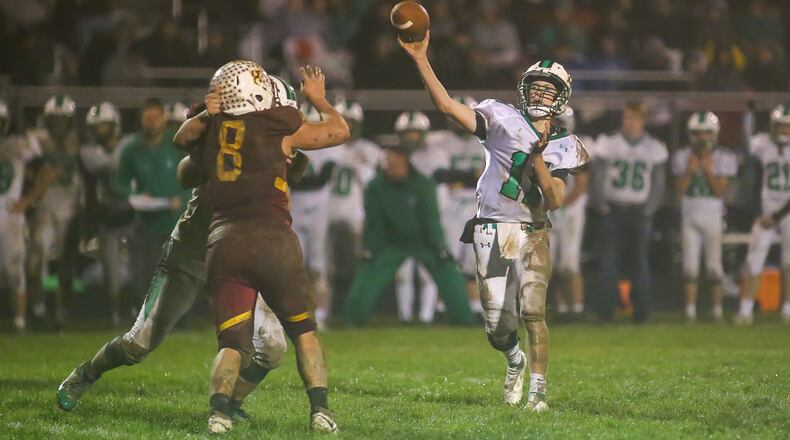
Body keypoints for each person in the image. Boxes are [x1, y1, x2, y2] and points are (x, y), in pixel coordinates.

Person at [56, 94, 313, 418]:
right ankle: (85, 374)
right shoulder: (222, 140)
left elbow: (306, 158)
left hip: (241, 261)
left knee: (273, 347)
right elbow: (184, 160)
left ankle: (231, 403)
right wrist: (210, 121)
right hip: (191, 256)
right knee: (138, 343)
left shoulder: (280, 149)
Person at [400, 31, 588, 411]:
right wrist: (421, 59)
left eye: (547, 90)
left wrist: (537, 158)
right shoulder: (501, 117)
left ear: (561, 99)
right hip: (494, 227)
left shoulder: (567, 145)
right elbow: (448, 107)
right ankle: (514, 359)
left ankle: (538, 393)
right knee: (496, 325)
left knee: (533, 311)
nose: (538, 95)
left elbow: (554, 199)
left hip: (533, 230)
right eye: (534, 88)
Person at [175, 61, 349, 434]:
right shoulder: (277, 120)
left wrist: (208, 119)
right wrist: (319, 100)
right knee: (303, 333)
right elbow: (338, 131)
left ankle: (219, 414)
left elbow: (184, 164)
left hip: (223, 241)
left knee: (233, 343)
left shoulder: (208, 127)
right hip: (271, 239)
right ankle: (320, 410)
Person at [343, 143, 474, 327]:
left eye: (395, 162)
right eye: (388, 162)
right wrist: (371, 248)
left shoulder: (423, 184)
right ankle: (352, 319)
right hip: (391, 243)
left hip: (423, 242)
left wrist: (439, 247)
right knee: (368, 271)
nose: (391, 166)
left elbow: (431, 219)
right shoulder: (376, 186)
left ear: (406, 163)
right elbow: (374, 222)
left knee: (448, 270)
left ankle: (464, 319)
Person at [592, 101, 668, 323]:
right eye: (626, 117)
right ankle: (606, 311)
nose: (630, 123)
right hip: (613, 208)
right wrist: (602, 205)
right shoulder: (609, 143)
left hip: (638, 210)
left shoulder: (654, 147)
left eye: (634, 118)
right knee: (608, 261)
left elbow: (658, 184)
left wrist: (648, 210)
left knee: (640, 261)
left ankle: (641, 312)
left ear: (643, 120)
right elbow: (598, 177)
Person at [115, 98, 189, 309]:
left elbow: (194, 178)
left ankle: (177, 315)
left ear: (163, 119)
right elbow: (120, 183)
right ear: (141, 120)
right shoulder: (132, 149)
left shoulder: (177, 146)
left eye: (155, 118)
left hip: (176, 221)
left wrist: (181, 199)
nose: (151, 123)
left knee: (178, 271)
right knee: (146, 270)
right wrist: (135, 195)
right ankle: (145, 315)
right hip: (146, 222)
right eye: (147, 118)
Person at [22, 95, 82, 329]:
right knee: (36, 262)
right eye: (54, 120)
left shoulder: (77, 140)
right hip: (44, 208)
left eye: (62, 120)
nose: (58, 124)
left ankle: (61, 314)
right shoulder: (35, 139)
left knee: (65, 267)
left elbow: (65, 171)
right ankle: (37, 308)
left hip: (69, 208)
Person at [672, 111, 737, 323]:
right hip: (689, 212)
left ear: (714, 134)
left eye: (706, 133)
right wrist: (689, 172)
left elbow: (720, 192)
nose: (702, 138)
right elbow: (679, 192)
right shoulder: (682, 156)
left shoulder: (725, 157)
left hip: (713, 214)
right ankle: (689, 312)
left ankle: (717, 311)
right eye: (698, 133)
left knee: (714, 267)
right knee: (689, 267)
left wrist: (708, 171)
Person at [325, 98, 380, 320]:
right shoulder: (322, 144)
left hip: (356, 213)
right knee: (324, 266)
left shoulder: (369, 150)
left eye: (351, 122)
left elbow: (373, 185)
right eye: (343, 120)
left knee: (357, 266)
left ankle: (354, 312)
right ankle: (323, 313)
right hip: (326, 211)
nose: (347, 125)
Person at [79, 101, 134, 326]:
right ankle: (115, 316)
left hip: (133, 215)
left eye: (104, 126)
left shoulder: (131, 145)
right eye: (97, 127)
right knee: (112, 274)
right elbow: (108, 166)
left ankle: (136, 312)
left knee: (140, 269)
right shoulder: (89, 152)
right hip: (108, 219)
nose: (100, 131)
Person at [736, 104, 790, 325]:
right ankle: (746, 310)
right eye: (781, 126)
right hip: (765, 210)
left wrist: (776, 216)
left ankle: (787, 309)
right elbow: (751, 181)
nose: (784, 131)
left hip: (786, 211)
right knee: (754, 260)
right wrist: (761, 212)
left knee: (789, 262)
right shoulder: (761, 145)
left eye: (788, 127)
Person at [392, 110, 441, 324]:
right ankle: (404, 316)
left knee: (426, 272)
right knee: (402, 271)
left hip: (428, 218)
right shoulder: (393, 156)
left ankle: (426, 317)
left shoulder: (435, 155)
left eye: (415, 132)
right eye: (407, 133)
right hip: (402, 218)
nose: (411, 137)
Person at [290, 103, 337, 328]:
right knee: (295, 264)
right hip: (296, 207)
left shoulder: (328, 147)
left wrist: (296, 177)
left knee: (318, 264)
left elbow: (320, 180)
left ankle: (323, 314)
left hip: (319, 208)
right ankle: (298, 314)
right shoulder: (291, 144)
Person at [0, 100, 39, 334]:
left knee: (15, 269)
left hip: (10, 212)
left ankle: (20, 320)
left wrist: (29, 199)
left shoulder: (17, 144)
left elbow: (48, 168)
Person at [550, 107, 592, 319]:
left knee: (569, 262)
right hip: (551, 206)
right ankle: (562, 308)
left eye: (559, 123)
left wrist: (561, 204)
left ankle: (576, 308)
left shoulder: (577, 146)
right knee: (553, 263)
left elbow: (581, 183)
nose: (556, 127)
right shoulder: (543, 144)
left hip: (570, 208)